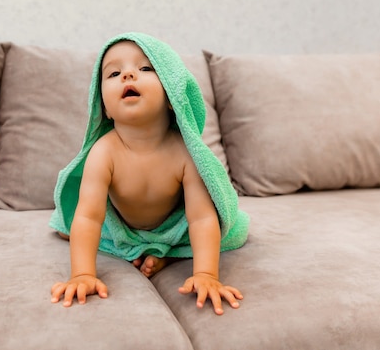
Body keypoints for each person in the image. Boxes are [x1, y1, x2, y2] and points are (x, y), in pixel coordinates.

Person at [49, 33, 249, 315]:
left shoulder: (184, 153)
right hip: (122, 227)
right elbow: (89, 216)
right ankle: (150, 251)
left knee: (226, 232)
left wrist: (207, 274)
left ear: (171, 96)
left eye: (145, 69)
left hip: (172, 226)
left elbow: (201, 217)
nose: (128, 74)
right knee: (71, 228)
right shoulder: (104, 152)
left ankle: (163, 252)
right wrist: (82, 274)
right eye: (114, 73)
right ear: (103, 107)